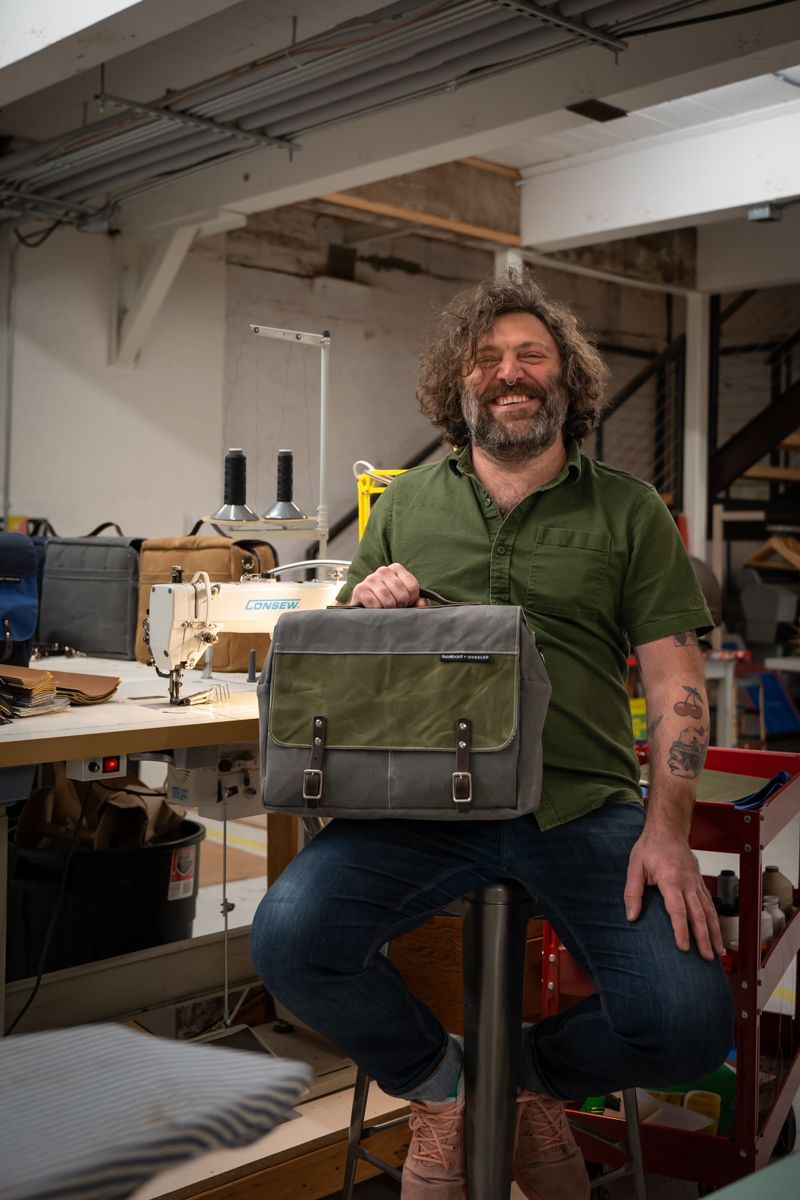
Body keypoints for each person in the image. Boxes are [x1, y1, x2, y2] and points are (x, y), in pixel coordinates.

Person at [250, 271, 733, 1199]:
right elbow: (352, 658)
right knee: (289, 942)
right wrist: (367, 604)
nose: (509, 373)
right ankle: (442, 1089)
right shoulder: (403, 506)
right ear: (459, 384)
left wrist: (667, 832)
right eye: (488, 358)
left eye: (531, 356)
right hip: (424, 806)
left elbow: (677, 683)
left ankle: (524, 1081)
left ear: (566, 379)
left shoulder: (629, 510)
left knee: (686, 1023)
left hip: (582, 806)